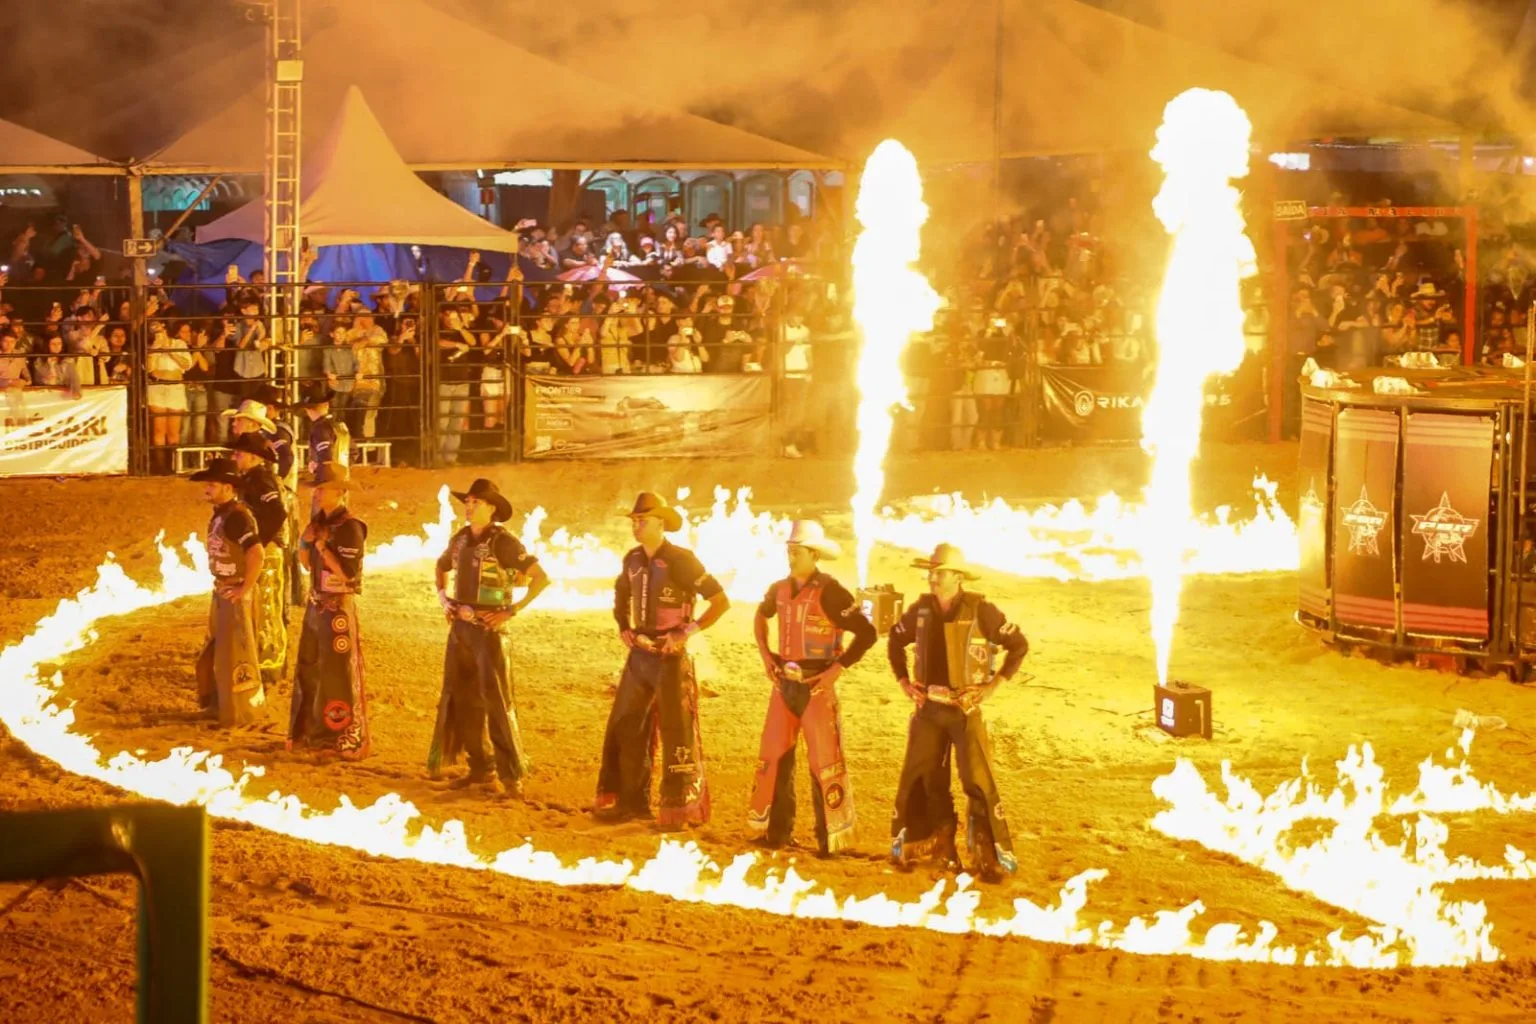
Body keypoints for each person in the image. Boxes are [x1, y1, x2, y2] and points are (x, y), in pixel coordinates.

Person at [887, 543, 1029, 883]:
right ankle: (939, 847)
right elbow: (894, 640)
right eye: (930, 573)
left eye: (938, 573)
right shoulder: (920, 610)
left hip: (965, 711)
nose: (932, 579)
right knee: (926, 778)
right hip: (929, 710)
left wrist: (993, 686)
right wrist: (904, 680)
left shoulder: (982, 610)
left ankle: (987, 856)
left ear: (956, 577)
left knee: (976, 780)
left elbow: (1018, 645)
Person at [596, 492, 729, 828]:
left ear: (660, 523)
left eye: (643, 520)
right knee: (627, 724)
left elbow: (720, 600)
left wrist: (685, 632)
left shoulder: (681, 560)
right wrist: (624, 627)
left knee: (677, 730)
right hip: (641, 654)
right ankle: (631, 802)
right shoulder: (632, 560)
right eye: (635, 521)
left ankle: (679, 807)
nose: (637, 526)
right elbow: (621, 593)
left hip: (671, 658)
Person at [749, 520, 876, 854]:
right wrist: (766, 655)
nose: (791, 556)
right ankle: (776, 833)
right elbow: (760, 616)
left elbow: (867, 633)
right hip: (785, 685)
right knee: (777, 757)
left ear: (813, 554)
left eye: (797, 551)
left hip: (816, 686)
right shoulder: (778, 589)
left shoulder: (832, 592)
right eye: (790, 550)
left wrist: (838, 668)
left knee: (824, 762)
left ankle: (830, 840)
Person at [427, 479, 550, 796]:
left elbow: (541, 577)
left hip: (489, 631)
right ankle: (480, 768)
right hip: (462, 629)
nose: (469, 507)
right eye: (467, 502)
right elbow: (441, 567)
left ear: (492, 508)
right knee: (464, 700)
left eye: (476, 503)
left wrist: (512, 610)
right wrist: (444, 599)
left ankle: (511, 776)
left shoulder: (504, 542)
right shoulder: (460, 540)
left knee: (497, 701)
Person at [289, 463, 371, 759]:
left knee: (338, 672)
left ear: (339, 493)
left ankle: (343, 735)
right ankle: (315, 730)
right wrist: (304, 542)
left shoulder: (350, 527)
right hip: (318, 603)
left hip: (337, 607)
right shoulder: (319, 523)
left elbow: (348, 573)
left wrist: (322, 546)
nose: (317, 494)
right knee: (311, 667)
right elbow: (306, 564)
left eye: (322, 489)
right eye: (317, 489)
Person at [190, 457, 265, 727]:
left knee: (235, 653)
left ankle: (239, 712)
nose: (206, 489)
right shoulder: (226, 514)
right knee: (222, 651)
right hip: (226, 589)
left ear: (227, 487)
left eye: (211, 484)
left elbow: (257, 552)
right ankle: (224, 706)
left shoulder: (236, 517)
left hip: (234, 591)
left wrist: (245, 587)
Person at [226, 432, 288, 685]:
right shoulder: (254, 478)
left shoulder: (260, 481)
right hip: (266, 550)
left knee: (267, 608)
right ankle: (265, 663)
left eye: (239, 453)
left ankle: (270, 666)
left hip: (269, 552)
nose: (235, 456)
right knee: (263, 607)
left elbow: (277, 513)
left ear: (253, 457)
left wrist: (256, 544)